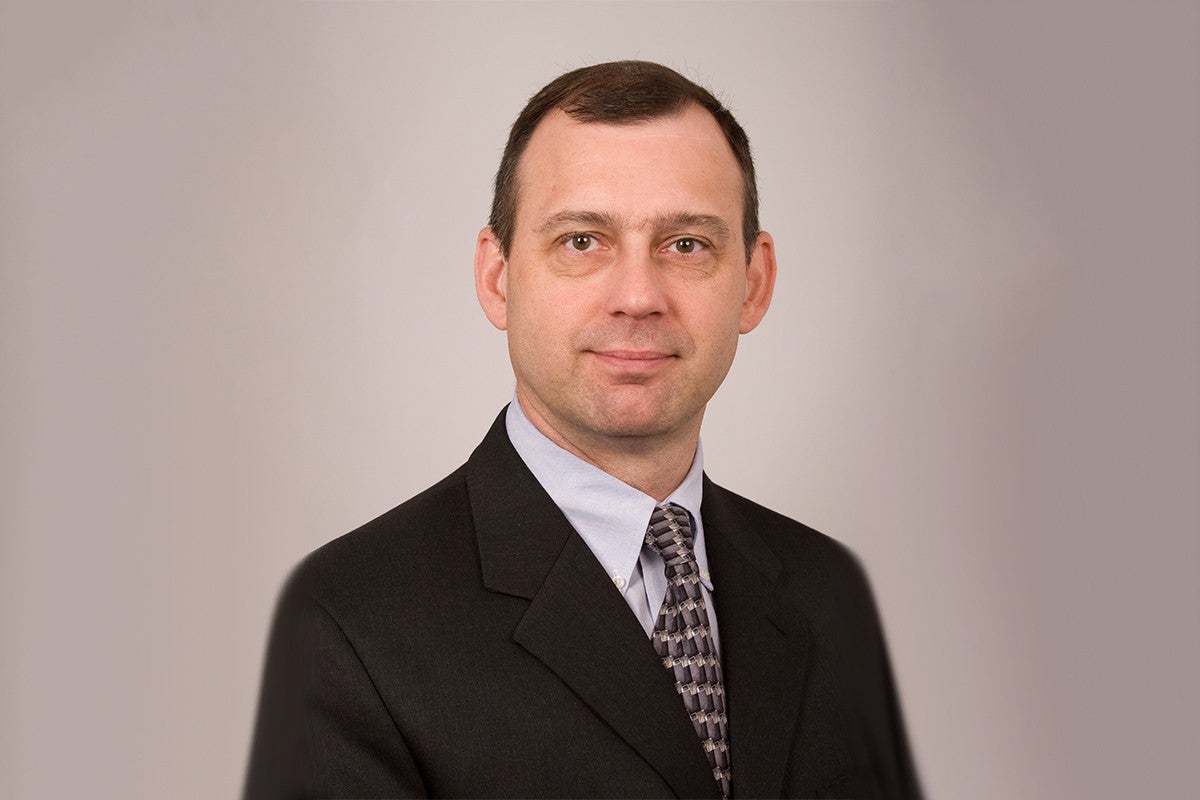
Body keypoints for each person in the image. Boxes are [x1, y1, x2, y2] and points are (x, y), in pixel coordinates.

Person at [243, 60, 921, 800]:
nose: (637, 296)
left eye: (686, 244)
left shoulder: (830, 593)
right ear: (498, 278)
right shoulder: (349, 622)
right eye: (581, 241)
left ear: (753, 284)